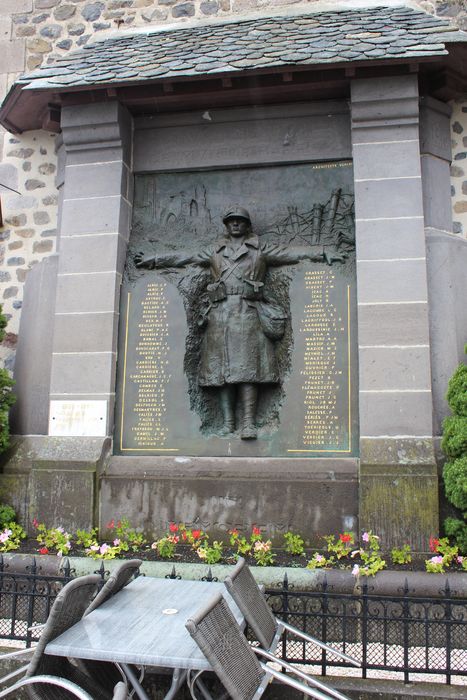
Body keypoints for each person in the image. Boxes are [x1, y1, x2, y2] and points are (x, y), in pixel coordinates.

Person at [135, 205, 345, 439]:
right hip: (220, 315)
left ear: (247, 225)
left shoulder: (260, 249)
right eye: (231, 221)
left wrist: (323, 251)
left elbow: (290, 253)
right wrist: (154, 259)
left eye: (240, 221)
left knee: (248, 370)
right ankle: (228, 423)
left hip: (248, 312)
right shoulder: (215, 251)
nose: (235, 224)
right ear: (226, 225)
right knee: (223, 372)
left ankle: (248, 423)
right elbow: (186, 257)